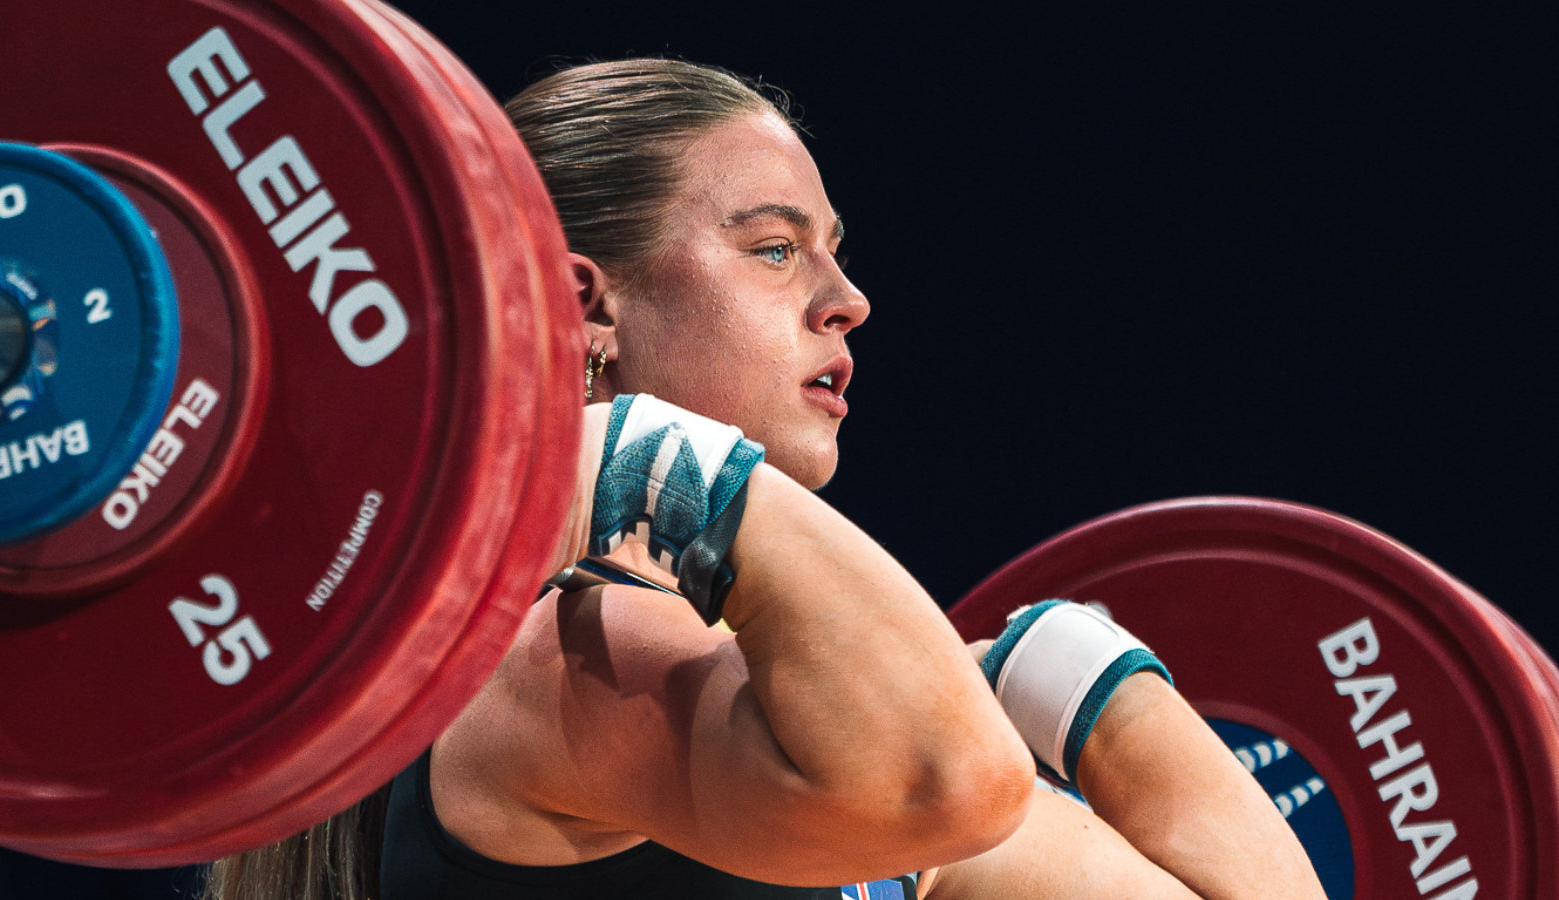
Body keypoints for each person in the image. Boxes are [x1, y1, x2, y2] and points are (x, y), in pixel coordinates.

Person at [207, 58, 1327, 900]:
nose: (848, 299)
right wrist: (625, 448)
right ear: (583, 304)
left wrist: (1062, 666)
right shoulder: (555, 666)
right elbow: (949, 780)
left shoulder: (791, 725)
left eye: (833, 249)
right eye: (775, 248)